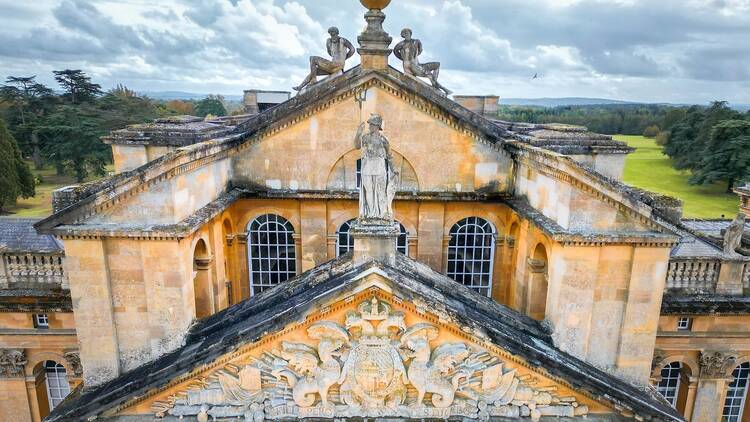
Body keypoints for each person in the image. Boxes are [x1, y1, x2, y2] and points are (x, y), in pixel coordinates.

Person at [354, 114, 397, 221]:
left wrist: (393, 168)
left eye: (372, 124)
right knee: (369, 190)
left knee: (380, 190)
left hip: (379, 166)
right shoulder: (366, 138)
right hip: (367, 166)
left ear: (377, 126)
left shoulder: (383, 139)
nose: (370, 127)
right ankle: (371, 213)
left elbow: (390, 155)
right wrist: (358, 133)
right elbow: (357, 146)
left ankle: (381, 213)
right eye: (370, 125)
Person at [293, 27, 354, 91]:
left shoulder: (342, 40)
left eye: (333, 33)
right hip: (335, 67)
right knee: (314, 70)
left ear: (336, 33)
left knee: (313, 58)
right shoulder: (330, 41)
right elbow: (330, 52)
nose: (332, 35)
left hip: (335, 65)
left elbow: (352, 50)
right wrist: (343, 58)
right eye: (331, 34)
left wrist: (344, 58)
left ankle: (314, 80)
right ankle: (300, 87)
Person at [393, 28, 451, 95]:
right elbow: (395, 52)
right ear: (403, 35)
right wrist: (404, 58)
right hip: (413, 66)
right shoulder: (402, 44)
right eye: (404, 34)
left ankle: (436, 84)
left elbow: (420, 50)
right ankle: (439, 86)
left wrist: (414, 56)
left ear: (410, 34)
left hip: (416, 64)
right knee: (430, 75)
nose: (406, 35)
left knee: (437, 65)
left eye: (407, 33)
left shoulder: (416, 41)